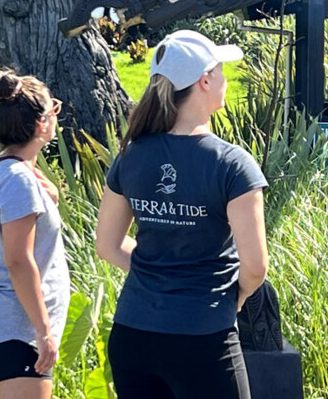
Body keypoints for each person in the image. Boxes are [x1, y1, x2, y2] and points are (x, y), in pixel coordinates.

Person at [96, 30, 268, 398]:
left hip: (133, 334)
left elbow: (107, 246)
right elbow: (255, 267)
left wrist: (155, 273)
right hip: (203, 337)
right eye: (220, 71)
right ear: (205, 81)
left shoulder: (131, 154)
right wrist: (230, 297)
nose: (224, 79)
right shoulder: (232, 164)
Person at [0, 69, 70, 399]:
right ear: (42, 124)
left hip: (16, 330)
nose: (57, 115)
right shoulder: (18, 180)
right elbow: (18, 261)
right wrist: (43, 333)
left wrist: (50, 198)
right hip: (20, 331)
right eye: (54, 108)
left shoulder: (7, 169)